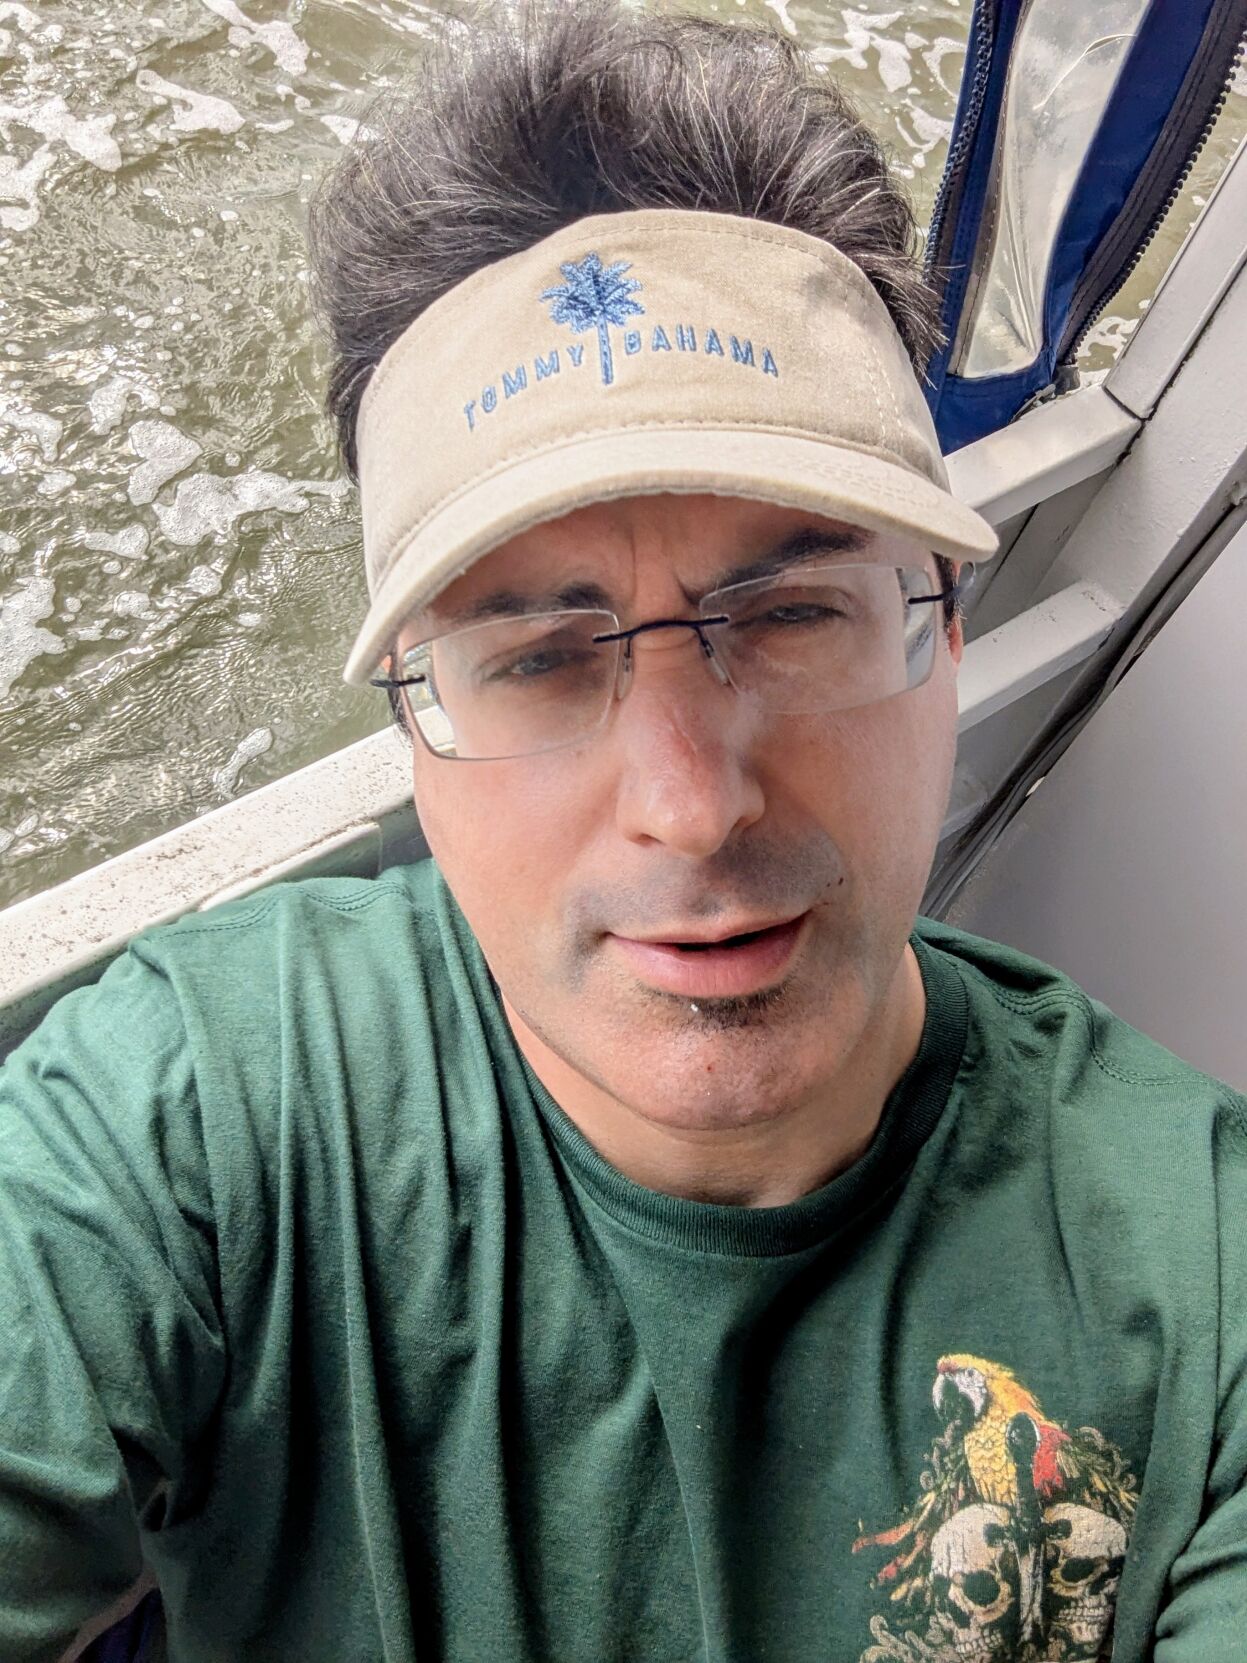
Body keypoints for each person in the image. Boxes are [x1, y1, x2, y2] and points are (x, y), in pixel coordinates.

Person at [1, 4, 1244, 1660]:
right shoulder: (192, 1123)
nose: (689, 802)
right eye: (535, 657)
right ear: (413, 722)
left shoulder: (1204, 1291)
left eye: (791, 614)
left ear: (945, 623)